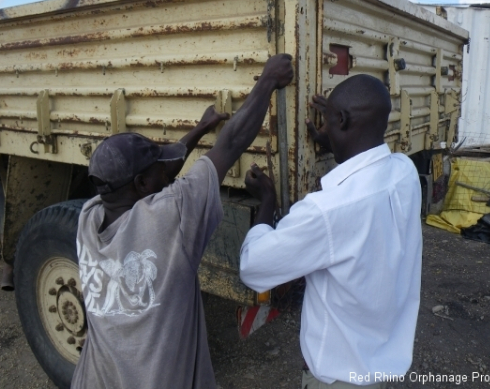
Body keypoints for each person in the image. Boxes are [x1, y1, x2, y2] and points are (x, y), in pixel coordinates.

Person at [71, 53, 294, 389]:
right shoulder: (170, 217)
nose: (168, 172)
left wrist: (202, 128)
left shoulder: (89, 217)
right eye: (159, 169)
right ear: (143, 185)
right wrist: (268, 81)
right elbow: (231, 144)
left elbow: (159, 172)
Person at [239, 74, 422, 389]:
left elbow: (253, 267)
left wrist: (267, 202)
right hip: (377, 364)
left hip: (337, 378)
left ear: (342, 119)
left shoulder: (326, 212)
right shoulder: (405, 172)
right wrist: (338, 136)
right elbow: (369, 165)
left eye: (330, 122)